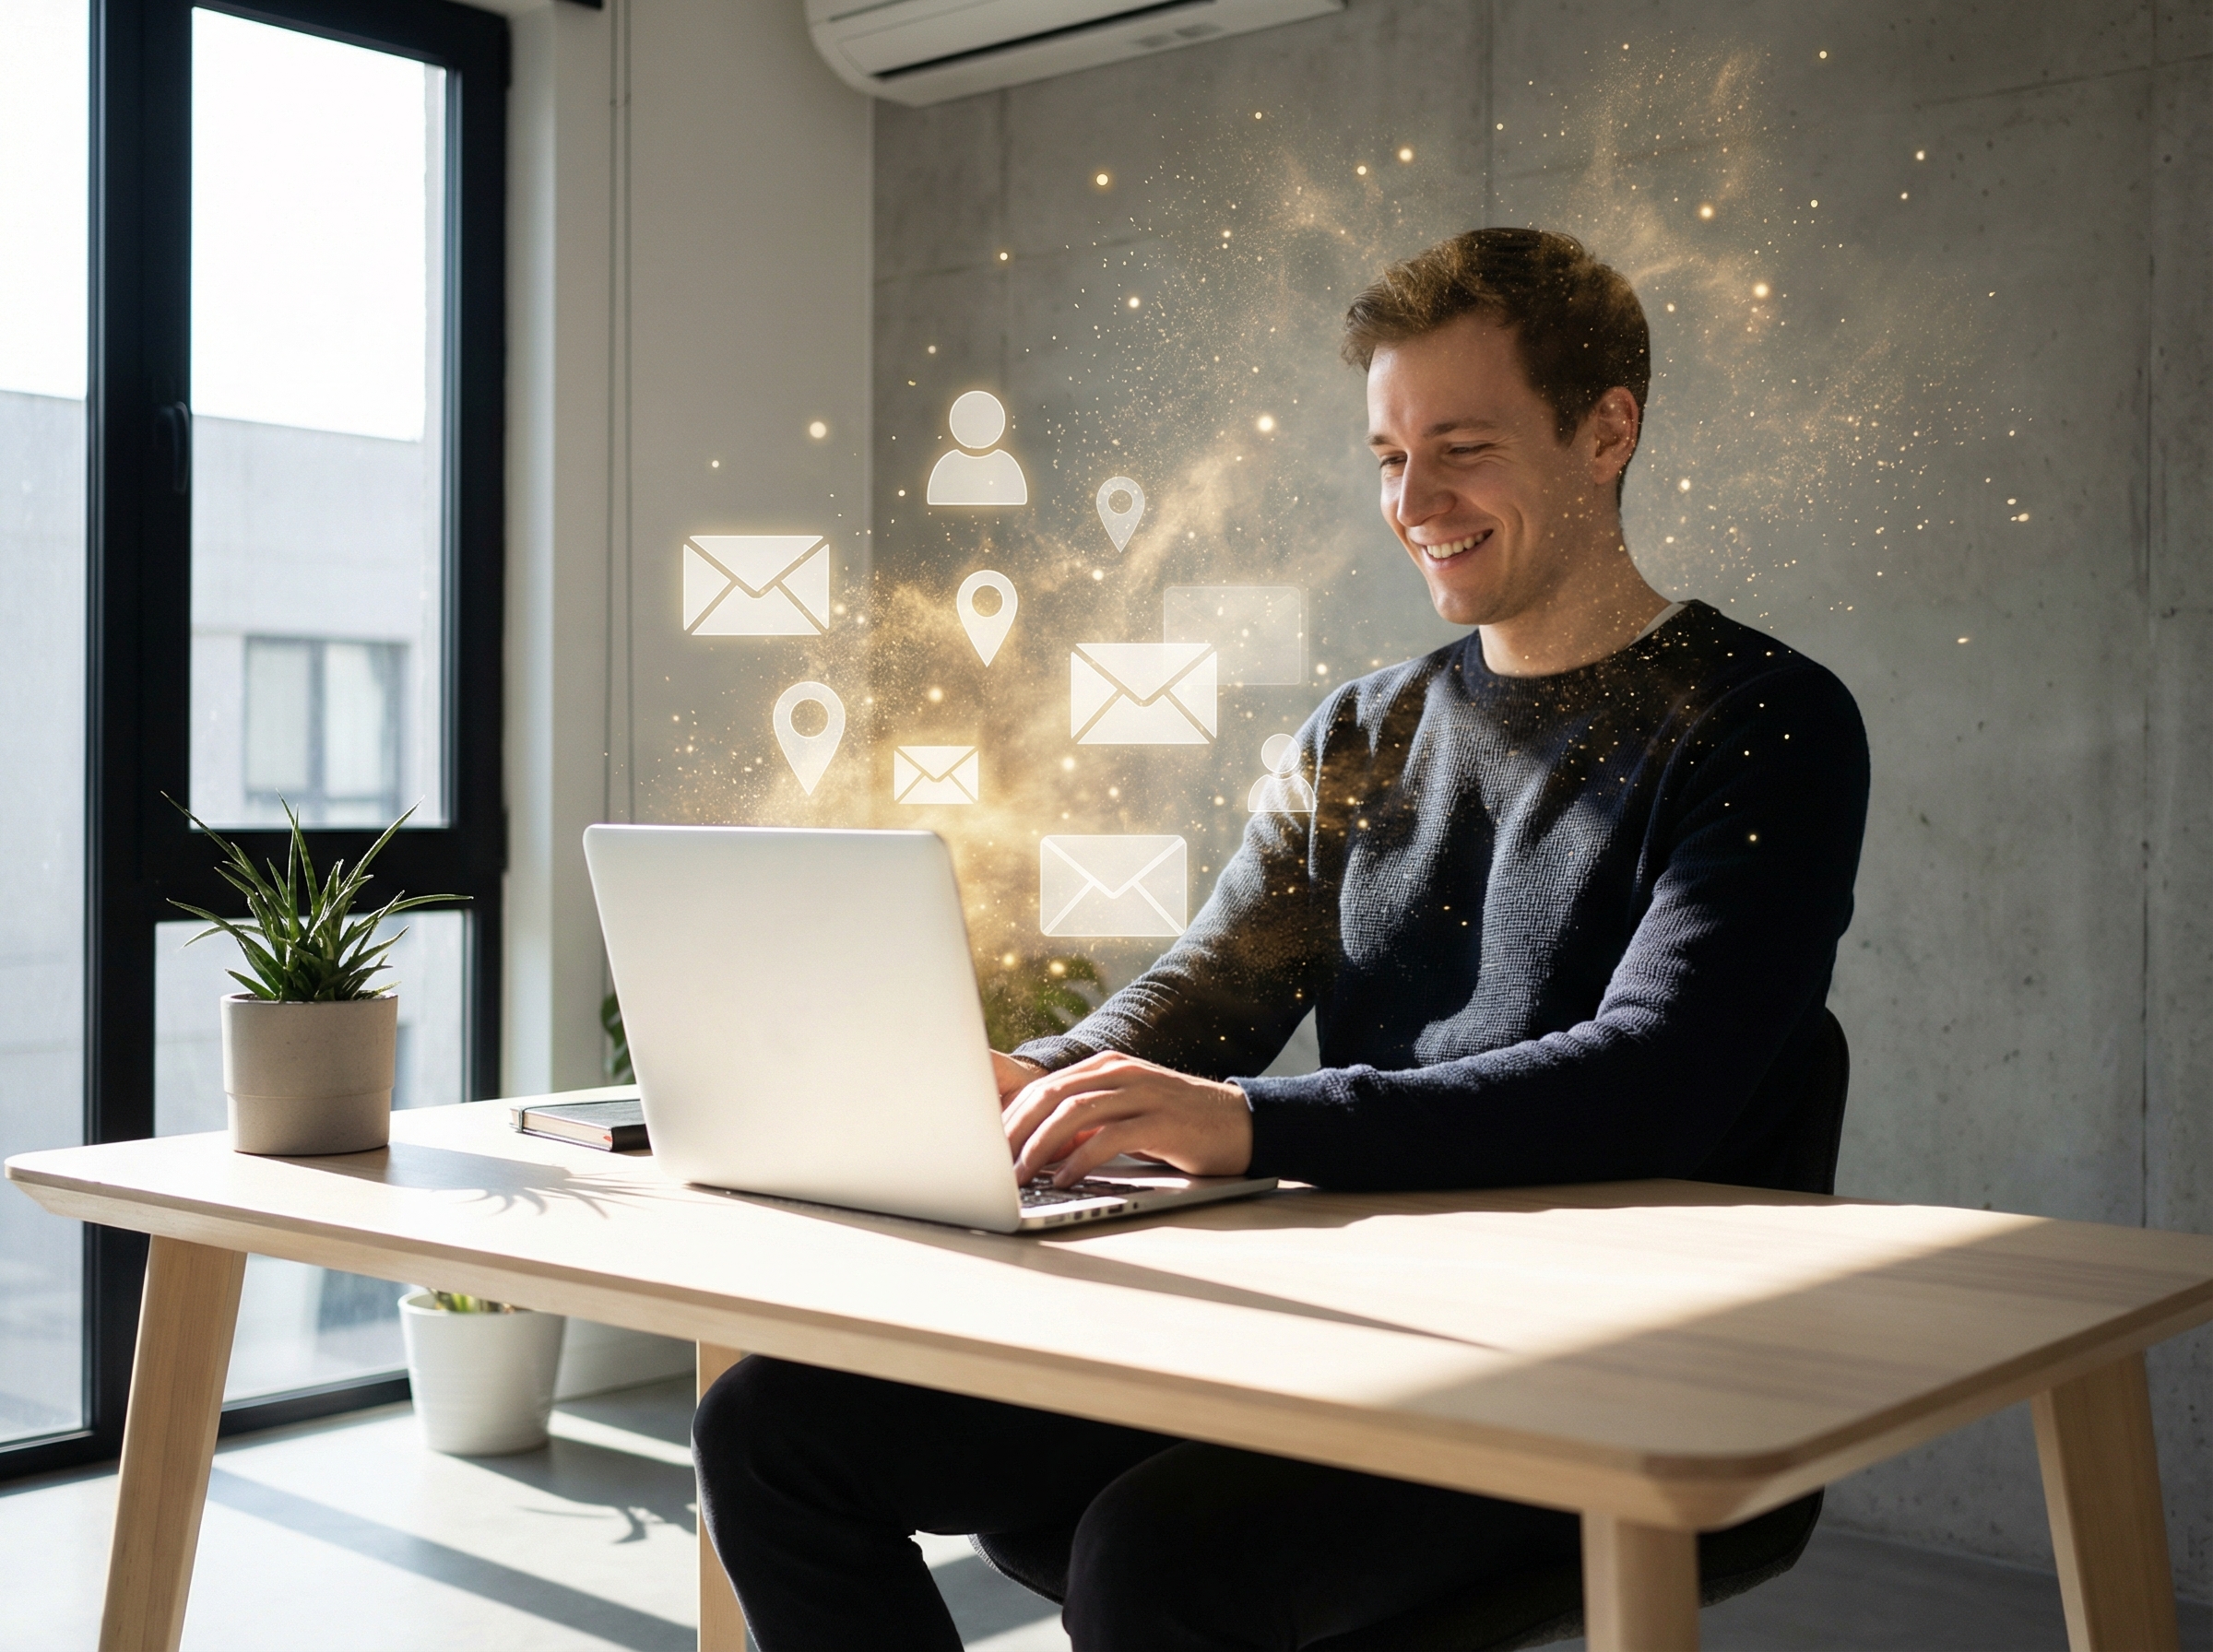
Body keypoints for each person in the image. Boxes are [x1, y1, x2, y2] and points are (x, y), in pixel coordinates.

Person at [692, 227, 1871, 1650]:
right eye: (1389, 456)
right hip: (1329, 1307)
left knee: (1152, 1560)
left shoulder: (1762, 723)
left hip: (1604, 1353)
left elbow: (1657, 1080)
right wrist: (1037, 1080)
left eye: (1462, 449)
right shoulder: (1362, 730)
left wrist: (1253, 1123)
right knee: (768, 1430)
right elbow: (1210, 989)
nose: (1414, 502)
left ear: (1606, 432)